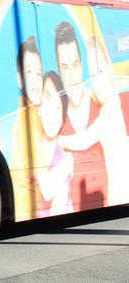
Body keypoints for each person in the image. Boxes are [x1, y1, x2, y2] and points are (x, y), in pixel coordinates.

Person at [60, 36, 129, 206]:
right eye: (91, 75)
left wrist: (59, 140)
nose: (96, 81)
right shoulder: (111, 102)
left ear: (109, 70)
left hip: (119, 189)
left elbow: (84, 140)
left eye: (100, 72)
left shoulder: (110, 109)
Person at [55, 21, 107, 211]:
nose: (73, 76)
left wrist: (56, 141)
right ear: (59, 72)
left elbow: (85, 141)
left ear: (82, 65)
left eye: (76, 64)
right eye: (66, 67)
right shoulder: (56, 118)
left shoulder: (100, 105)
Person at [10, 36, 45, 220]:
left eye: (39, 73)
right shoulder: (26, 120)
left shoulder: (35, 114)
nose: (35, 81)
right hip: (29, 205)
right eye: (29, 72)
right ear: (19, 79)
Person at [34, 72, 74, 217]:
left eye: (58, 107)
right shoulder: (28, 148)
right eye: (48, 98)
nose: (52, 110)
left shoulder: (64, 160)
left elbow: (48, 191)